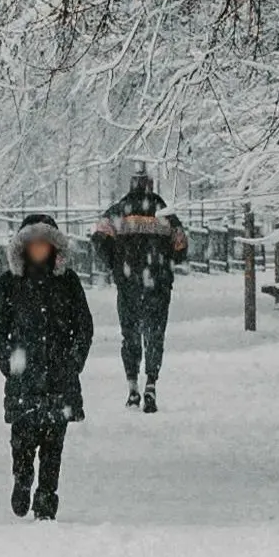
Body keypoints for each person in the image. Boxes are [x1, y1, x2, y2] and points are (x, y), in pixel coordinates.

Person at [0, 213, 93, 519]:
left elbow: (83, 326)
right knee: (22, 440)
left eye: (44, 244)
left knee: (53, 445)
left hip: (59, 378)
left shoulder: (67, 283)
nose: (38, 249)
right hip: (23, 380)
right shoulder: (10, 283)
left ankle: (47, 496)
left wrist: (72, 362)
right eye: (32, 244)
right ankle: (22, 479)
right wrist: (10, 364)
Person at [90, 168, 189, 411]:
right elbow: (181, 245)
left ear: (132, 184)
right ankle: (151, 384)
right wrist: (165, 262)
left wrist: (115, 263)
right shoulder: (164, 212)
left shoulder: (118, 211)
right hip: (158, 285)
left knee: (130, 334)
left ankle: (132, 386)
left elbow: (98, 238)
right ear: (151, 185)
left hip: (128, 284)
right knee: (155, 335)